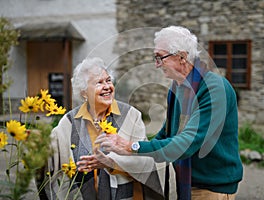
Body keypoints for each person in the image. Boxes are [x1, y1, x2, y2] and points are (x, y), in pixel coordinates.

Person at [96, 26, 243, 200]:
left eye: (160, 57)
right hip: (189, 184)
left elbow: (187, 142)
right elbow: (167, 135)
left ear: (182, 57)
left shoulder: (214, 89)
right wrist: (117, 157)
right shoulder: (177, 87)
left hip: (212, 188)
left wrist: (131, 147)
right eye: (155, 57)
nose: (156, 64)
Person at [39, 57, 164, 200]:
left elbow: (146, 162)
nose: (107, 86)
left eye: (108, 80)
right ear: (84, 92)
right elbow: (52, 159)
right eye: (99, 82)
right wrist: (36, 144)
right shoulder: (69, 122)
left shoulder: (131, 115)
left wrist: (110, 162)